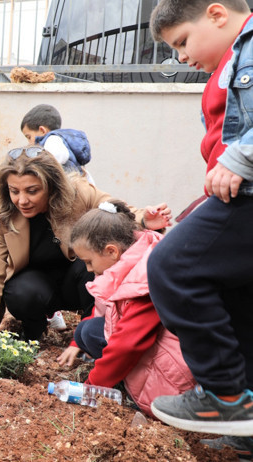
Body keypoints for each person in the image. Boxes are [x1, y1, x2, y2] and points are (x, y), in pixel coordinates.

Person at [145, 0, 253, 443]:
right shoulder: (229, 63)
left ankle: (225, 397)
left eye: (183, 42)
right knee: (238, 306)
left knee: (174, 266)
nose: (182, 57)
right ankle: (245, 429)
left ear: (216, 14)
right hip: (236, 193)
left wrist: (241, 158)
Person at [0, 147, 170, 373]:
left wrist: (145, 219)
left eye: (32, 191)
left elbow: (116, 210)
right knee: (18, 291)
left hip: (79, 282)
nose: (22, 200)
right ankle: (34, 329)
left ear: (51, 185)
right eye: (14, 191)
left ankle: (86, 336)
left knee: (91, 266)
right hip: (38, 287)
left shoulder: (78, 194)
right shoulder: (3, 216)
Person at [57, 200, 195, 416]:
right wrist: (76, 342)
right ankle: (123, 378)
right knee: (86, 331)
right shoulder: (131, 257)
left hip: (178, 375)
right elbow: (105, 308)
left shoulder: (144, 280)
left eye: (89, 261)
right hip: (162, 349)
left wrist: (91, 387)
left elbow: (127, 344)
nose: (88, 268)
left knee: (97, 335)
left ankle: (134, 390)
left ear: (111, 251)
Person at [21, 103, 94, 183]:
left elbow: (58, 156)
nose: (29, 143)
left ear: (42, 130)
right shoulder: (64, 142)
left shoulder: (52, 139)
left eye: (29, 137)